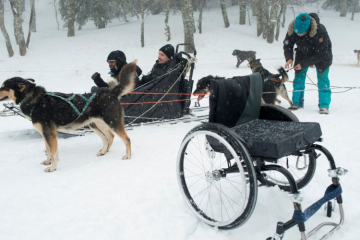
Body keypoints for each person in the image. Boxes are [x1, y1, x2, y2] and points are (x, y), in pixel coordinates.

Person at [283, 13, 332, 114]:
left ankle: (324, 105)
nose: (299, 35)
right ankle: (297, 103)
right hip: (302, 52)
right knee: (298, 78)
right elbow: (287, 44)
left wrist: (304, 64)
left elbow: (321, 53)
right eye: (297, 33)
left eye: (302, 33)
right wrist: (289, 58)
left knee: (323, 79)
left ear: (308, 28)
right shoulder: (292, 29)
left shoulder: (320, 31)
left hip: (322, 56)